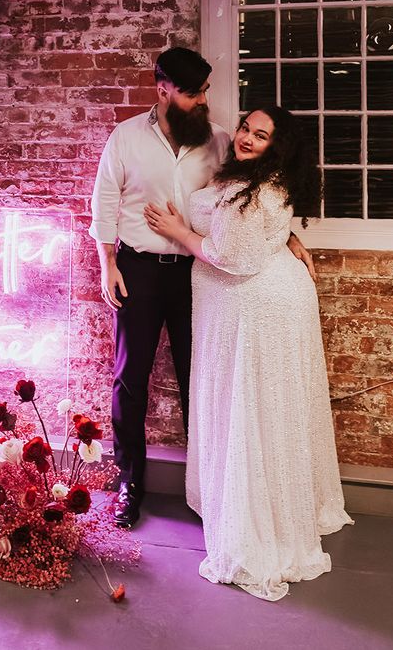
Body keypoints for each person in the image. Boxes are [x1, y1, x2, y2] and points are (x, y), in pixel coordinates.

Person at [144, 106, 352, 600]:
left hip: (253, 304)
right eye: (246, 128)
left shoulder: (254, 189)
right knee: (267, 407)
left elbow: (231, 256)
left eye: (261, 135)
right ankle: (276, 503)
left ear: (275, 147)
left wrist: (178, 233)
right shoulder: (254, 179)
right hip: (263, 297)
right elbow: (253, 230)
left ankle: (256, 521)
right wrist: (287, 236)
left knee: (251, 406)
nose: (247, 138)